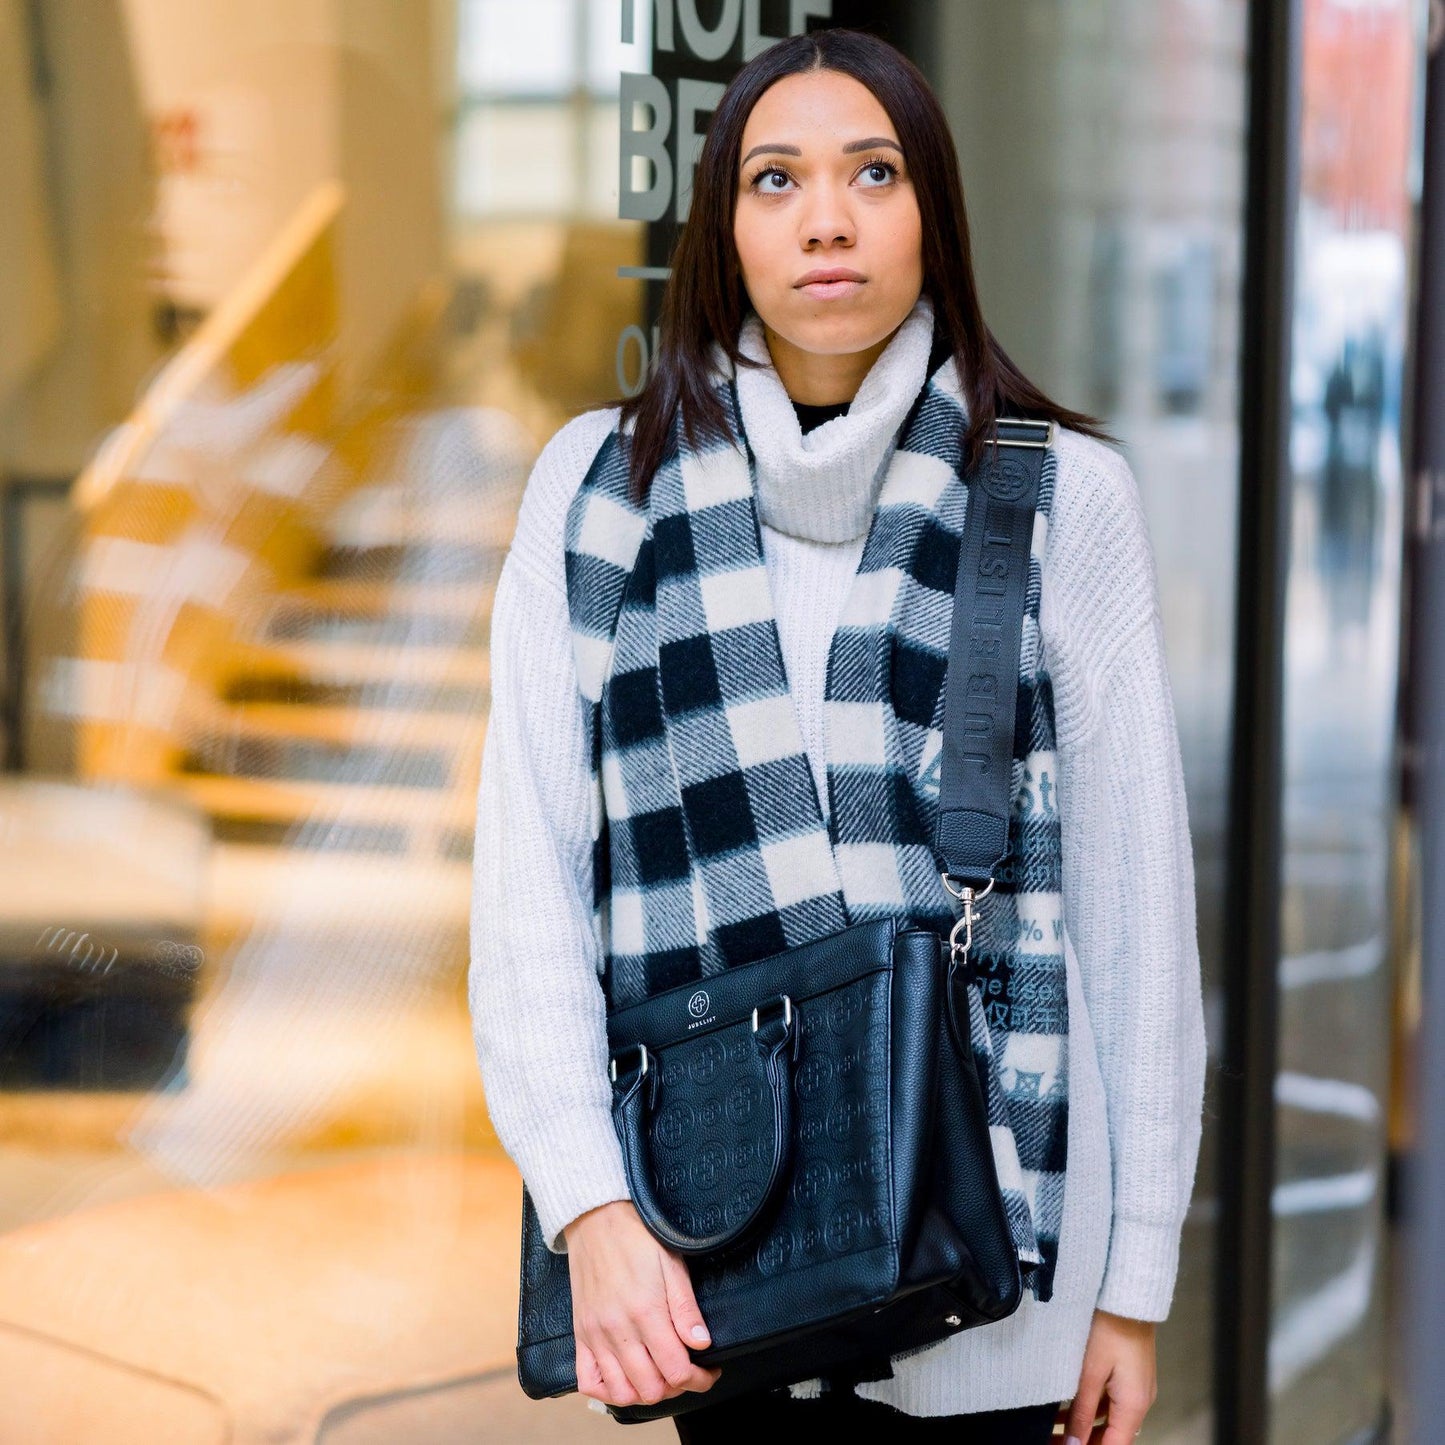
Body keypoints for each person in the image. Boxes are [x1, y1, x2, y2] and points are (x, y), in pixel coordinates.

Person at [470, 27, 1206, 1445]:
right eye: (776, 179)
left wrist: (1134, 1287)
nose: (826, 219)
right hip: (724, 1255)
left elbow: (1137, 921)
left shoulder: (1061, 498)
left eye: (873, 173)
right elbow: (527, 893)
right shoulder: (598, 490)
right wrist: (591, 1205)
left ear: (933, 213)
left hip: (1008, 1289)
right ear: (721, 229)